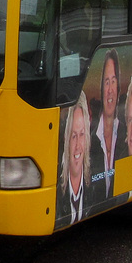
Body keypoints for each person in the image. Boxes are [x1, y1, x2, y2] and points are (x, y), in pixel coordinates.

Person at [90, 49, 125, 201]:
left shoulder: (127, 136)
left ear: (118, 88)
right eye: (106, 82)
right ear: (101, 89)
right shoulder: (89, 140)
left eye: (113, 81)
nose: (110, 90)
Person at [60, 92, 91, 224]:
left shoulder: (94, 190)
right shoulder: (57, 193)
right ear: (66, 139)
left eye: (82, 134)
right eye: (73, 136)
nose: (78, 145)